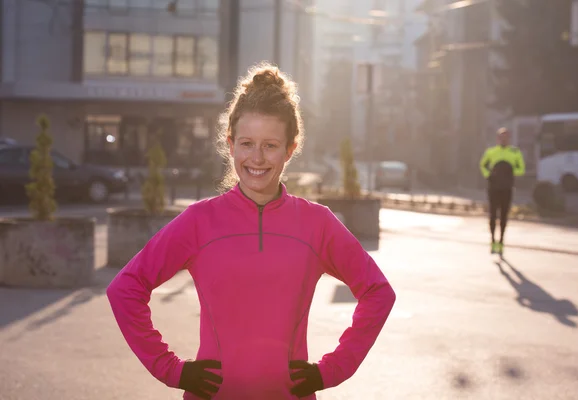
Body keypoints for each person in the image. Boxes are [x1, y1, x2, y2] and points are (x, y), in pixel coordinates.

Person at [106, 62, 396, 400]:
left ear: (290, 149)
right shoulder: (199, 221)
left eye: (270, 145)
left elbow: (378, 292)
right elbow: (125, 289)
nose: (256, 158)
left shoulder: (317, 223)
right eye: (246, 143)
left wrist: (331, 370)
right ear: (230, 144)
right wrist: (171, 369)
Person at [479, 127, 525, 256]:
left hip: (507, 188)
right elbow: (482, 165)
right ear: (497, 139)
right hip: (493, 188)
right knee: (493, 215)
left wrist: (510, 173)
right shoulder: (491, 152)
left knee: (504, 216)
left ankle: (501, 241)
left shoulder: (515, 152)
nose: (503, 139)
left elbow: (521, 169)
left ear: (509, 139)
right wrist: (489, 175)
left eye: (506, 137)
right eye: (501, 137)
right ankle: (493, 241)